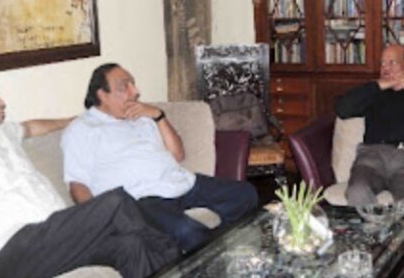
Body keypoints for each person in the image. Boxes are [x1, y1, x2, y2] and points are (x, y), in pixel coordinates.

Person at [0, 64, 181, 278]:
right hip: (2, 259)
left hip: (51, 243)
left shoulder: (0, 132)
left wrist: (74, 120)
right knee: (115, 203)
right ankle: (182, 267)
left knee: (131, 245)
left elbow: (31, 127)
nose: (1, 102)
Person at [61, 63, 258, 253]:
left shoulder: (142, 116)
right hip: (143, 199)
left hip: (181, 182)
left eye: (133, 84)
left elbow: (177, 154)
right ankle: (208, 263)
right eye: (125, 87)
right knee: (187, 231)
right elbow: (77, 183)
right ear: (102, 95)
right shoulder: (82, 129)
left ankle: (221, 249)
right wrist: (99, 219)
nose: (135, 91)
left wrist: (158, 116)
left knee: (246, 194)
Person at [335, 44, 404, 212]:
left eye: (392, 62)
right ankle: (371, 234)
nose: (385, 68)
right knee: (356, 191)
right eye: (382, 64)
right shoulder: (373, 93)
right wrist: (378, 85)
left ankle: (397, 237)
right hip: (372, 157)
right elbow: (343, 109)